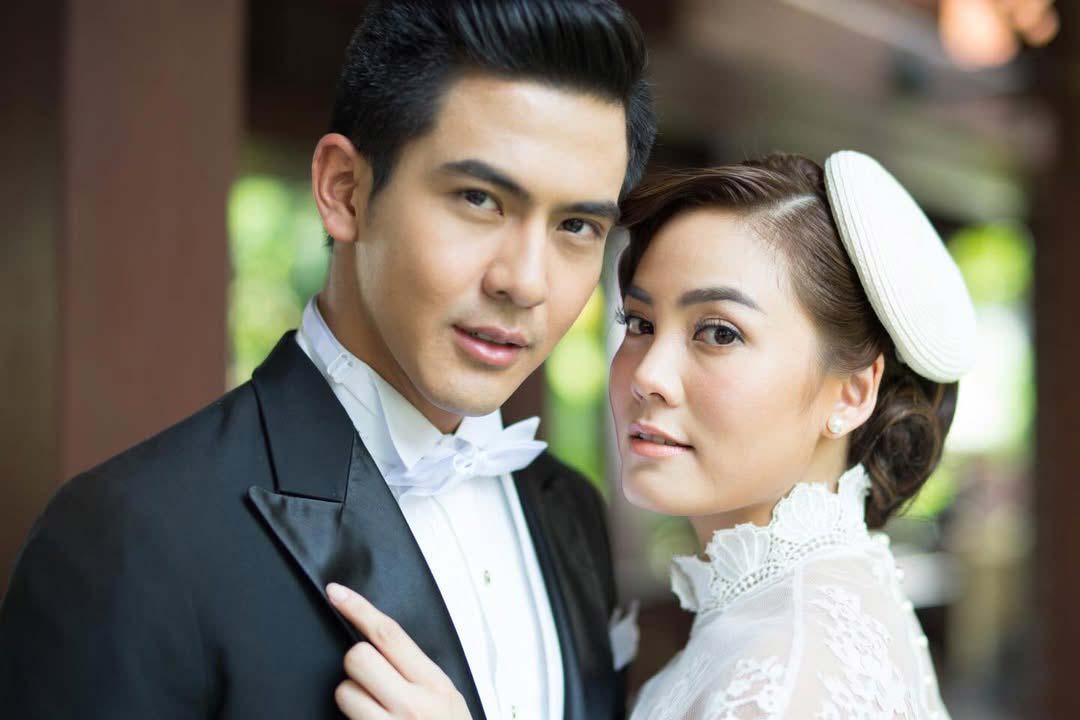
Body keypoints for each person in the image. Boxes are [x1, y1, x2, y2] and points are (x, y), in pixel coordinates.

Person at [0, 1, 656, 719]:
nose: (526, 282)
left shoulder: (572, 513)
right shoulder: (132, 537)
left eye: (576, 225)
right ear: (344, 190)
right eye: (479, 199)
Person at [327, 151, 974, 720]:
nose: (648, 376)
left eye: (718, 333)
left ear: (852, 393)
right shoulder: (830, 600)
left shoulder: (786, 675)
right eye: (639, 324)